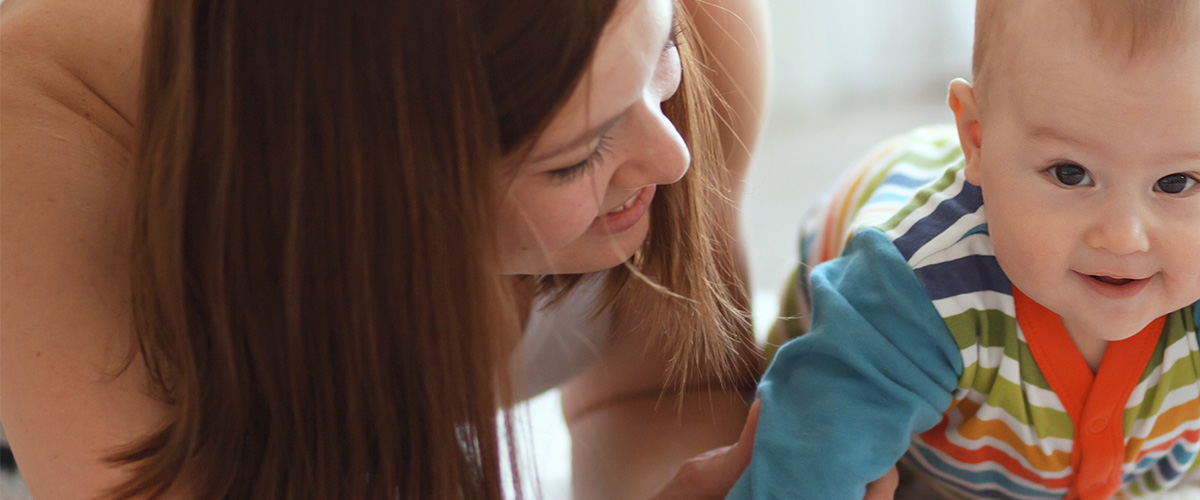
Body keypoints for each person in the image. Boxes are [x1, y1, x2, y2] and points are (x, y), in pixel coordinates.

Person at [0, 0, 836, 497]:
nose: (673, 158)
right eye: (576, 157)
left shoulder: (669, 24)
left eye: (662, 61)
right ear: (370, 193)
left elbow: (656, 391)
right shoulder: (48, 154)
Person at [731, 0, 1200, 498]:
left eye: (1179, 180)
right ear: (978, 139)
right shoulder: (910, 292)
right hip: (870, 295)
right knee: (806, 419)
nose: (1124, 237)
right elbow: (802, 465)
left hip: (1131, 408)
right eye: (1071, 173)